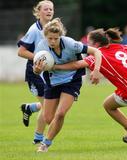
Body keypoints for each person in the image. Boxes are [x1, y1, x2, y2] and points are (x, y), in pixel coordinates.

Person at [49, 28, 127, 148]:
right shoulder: (121, 47)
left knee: (108, 106)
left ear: (96, 44)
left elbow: (76, 64)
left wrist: (55, 66)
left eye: (89, 43)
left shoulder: (96, 56)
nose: (87, 46)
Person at [33, 18, 102, 152]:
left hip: (71, 81)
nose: (52, 41)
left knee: (60, 114)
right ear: (45, 37)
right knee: (48, 118)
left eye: (56, 38)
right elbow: (36, 70)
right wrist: (37, 70)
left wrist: (96, 70)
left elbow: (97, 52)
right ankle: (43, 120)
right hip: (52, 82)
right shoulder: (41, 47)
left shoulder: (71, 44)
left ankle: (45, 144)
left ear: (61, 37)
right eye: (50, 38)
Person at [17, 0, 54, 143]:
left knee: (51, 104)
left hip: (48, 72)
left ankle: (30, 108)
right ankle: (38, 138)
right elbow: (21, 51)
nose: (49, 11)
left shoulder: (53, 27)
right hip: (35, 72)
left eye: (51, 9)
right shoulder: (34, 30)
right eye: (46, 9)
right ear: (38, 12)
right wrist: (39, 58)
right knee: (48, 108)